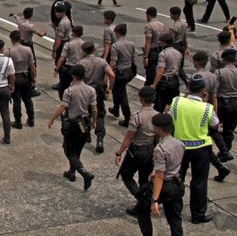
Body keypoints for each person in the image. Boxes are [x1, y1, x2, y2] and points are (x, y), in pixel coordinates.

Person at [171, 74, 219, 224]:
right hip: (200, 149)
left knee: (177, 178)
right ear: (203, 90)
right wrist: (205, 101)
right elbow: (215, 124)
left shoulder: (177, 102)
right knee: (199, 182)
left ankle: (174, 208)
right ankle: (198, 214)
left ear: (188, 88)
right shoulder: (207, 108)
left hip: (179, 146)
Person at [134, 113, 185, 236]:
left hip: (164, 186)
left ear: (158, 129)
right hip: (176, 183)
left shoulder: (160, 149)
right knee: (175, 219)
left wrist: (154, 200)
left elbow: (160, 176)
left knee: (142, 211)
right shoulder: (180, 143)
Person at [47, 65, 97, 190]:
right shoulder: (91, 90)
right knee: (77, 149)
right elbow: (94, 109)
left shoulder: (69, 91)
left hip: (72, 123)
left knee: (68, 149)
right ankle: (71, 172)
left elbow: (63, 107)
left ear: (73, 76)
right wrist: (94, 122)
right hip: (85, 122)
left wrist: (52, 119)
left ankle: (83, 172)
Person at [114, 86, 157, 216]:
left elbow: (129, 137)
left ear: (141, 99)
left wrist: (119, 152)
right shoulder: (157, 115)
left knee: (126, 175)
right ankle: (144, 202)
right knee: (144, 179)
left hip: (137, 150)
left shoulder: (137, 117)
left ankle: (142, 201)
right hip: (150, 150)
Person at [193, 49, 233, 175]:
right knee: (214, 131)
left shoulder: (196, 77)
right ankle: (224, 151)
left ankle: (220, 164)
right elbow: (214, 95)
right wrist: (215, 112)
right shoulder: (212, 76)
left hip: (198, 108)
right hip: (210, 106)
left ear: (195, 62)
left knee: (202, 138)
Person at [79, 41, 115, 153]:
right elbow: (112, 75)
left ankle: (86, 135)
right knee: (99, 114)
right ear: (94, 49)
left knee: (84, 114)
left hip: (85, 91)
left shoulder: (81, 63)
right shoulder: (102, 61)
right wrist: (109, 88)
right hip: (98, 91)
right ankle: (99, 139)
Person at [109, 23, 137, 126]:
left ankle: (127, 117)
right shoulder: (131, 43)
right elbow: (133, 59)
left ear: (117, 33)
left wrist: (108, 72)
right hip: (128, 71)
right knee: (116, 90)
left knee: (122, 95)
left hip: (120, 72)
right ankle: (115, 109)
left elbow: (113, 62)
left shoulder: (115, 46)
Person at [7, 30, 36, 128]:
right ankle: (31, 119)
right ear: (20, 38)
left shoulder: (9, 51)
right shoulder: (28, 50)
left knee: (16, 100)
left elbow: (6, 67)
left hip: (14, 77)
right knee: (28, 99)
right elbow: (32, 66)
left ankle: (18, 121)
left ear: (11, 39)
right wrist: (33, 78)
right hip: (25, 76)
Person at [152, 33, 185, 112]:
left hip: (165, 82)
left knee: (160, 105)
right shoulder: (179, 54)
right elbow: (180, 68)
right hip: (175, 81)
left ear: (164, 43)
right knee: (173, 104)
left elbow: (161, 71)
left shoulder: (163, 54)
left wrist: (154, 85)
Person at [215, 48, 237, 163]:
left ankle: (223, 150)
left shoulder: (219, 72)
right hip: (235, 102)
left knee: (214, 127)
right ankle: (226, 149)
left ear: (224, 59)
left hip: (223, 102)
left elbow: (215, 90)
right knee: (230, 128)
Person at [54, 24, 84, 101]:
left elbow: (62, 58)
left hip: (69, 68)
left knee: (63, 88)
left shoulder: (69, 44)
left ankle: (65, 103)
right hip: (80, 69)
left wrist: (57, 69)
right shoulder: (84, 44)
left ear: (73, 33)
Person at [143, 7, 167, 85]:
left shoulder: (149, 25)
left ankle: (150, 85)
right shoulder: (162, 25)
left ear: (148, 15)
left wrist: (146, 56)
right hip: (160, 48)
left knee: (150, 70)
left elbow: (148, 42)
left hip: (152, 50)